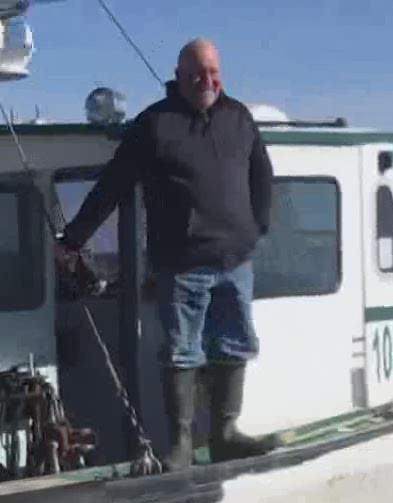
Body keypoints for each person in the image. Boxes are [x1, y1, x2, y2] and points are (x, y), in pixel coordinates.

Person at [57, 37, 276, 468]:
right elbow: (113, 185)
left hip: (236, 260)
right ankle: (179, 446)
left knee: (234, 345)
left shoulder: (238, 116)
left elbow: (261, 174)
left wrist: (256, 229)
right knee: (182, 351)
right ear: (178, 77)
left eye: (213, 73)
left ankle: (225, 433)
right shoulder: (154, 125)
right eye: (196, 75)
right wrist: (73, 239)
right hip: (182, 263)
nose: (206, 81)